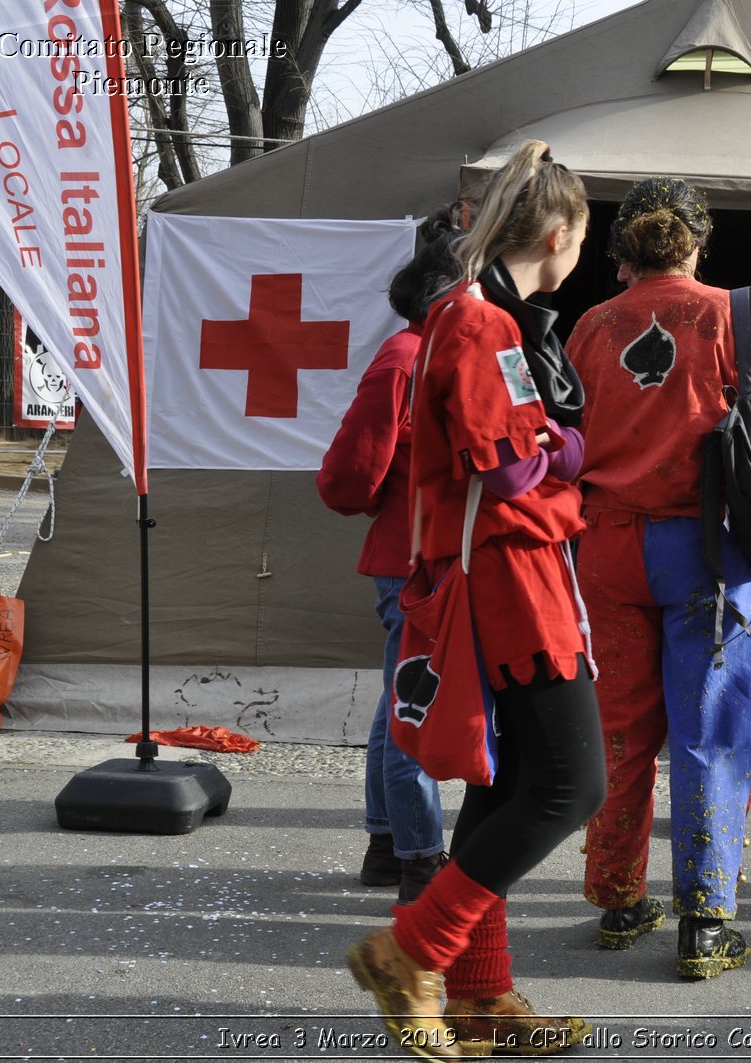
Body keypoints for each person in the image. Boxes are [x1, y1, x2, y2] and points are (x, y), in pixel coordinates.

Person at [345, 140, 603, 1059]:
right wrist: (571, 459)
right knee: (574, 784)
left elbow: (531, 448)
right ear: (561, 232)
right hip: (510, 576)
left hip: (513, 570)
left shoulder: (489, 316)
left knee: (505, 788)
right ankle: (409, 950)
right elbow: (516, 468)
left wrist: (556, 452)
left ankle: (481, 996)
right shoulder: (483, 324)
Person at [566, 177, 751, 979]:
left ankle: (616, 899)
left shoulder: (590, 325)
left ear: (620, 253)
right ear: (700, 242)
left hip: (606, 547)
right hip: (710, 551)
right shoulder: (734, 316)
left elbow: (563, 432)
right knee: (710, 731)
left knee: (619, 726)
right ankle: (704, 920)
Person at [317, 212, 460, 903]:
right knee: (415, 706)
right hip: (415, 559)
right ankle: (420, 857)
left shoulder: (412, 353)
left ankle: (389, 841)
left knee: (395, 704)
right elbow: (351, 469)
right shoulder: (410, 356)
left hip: (408, 553)